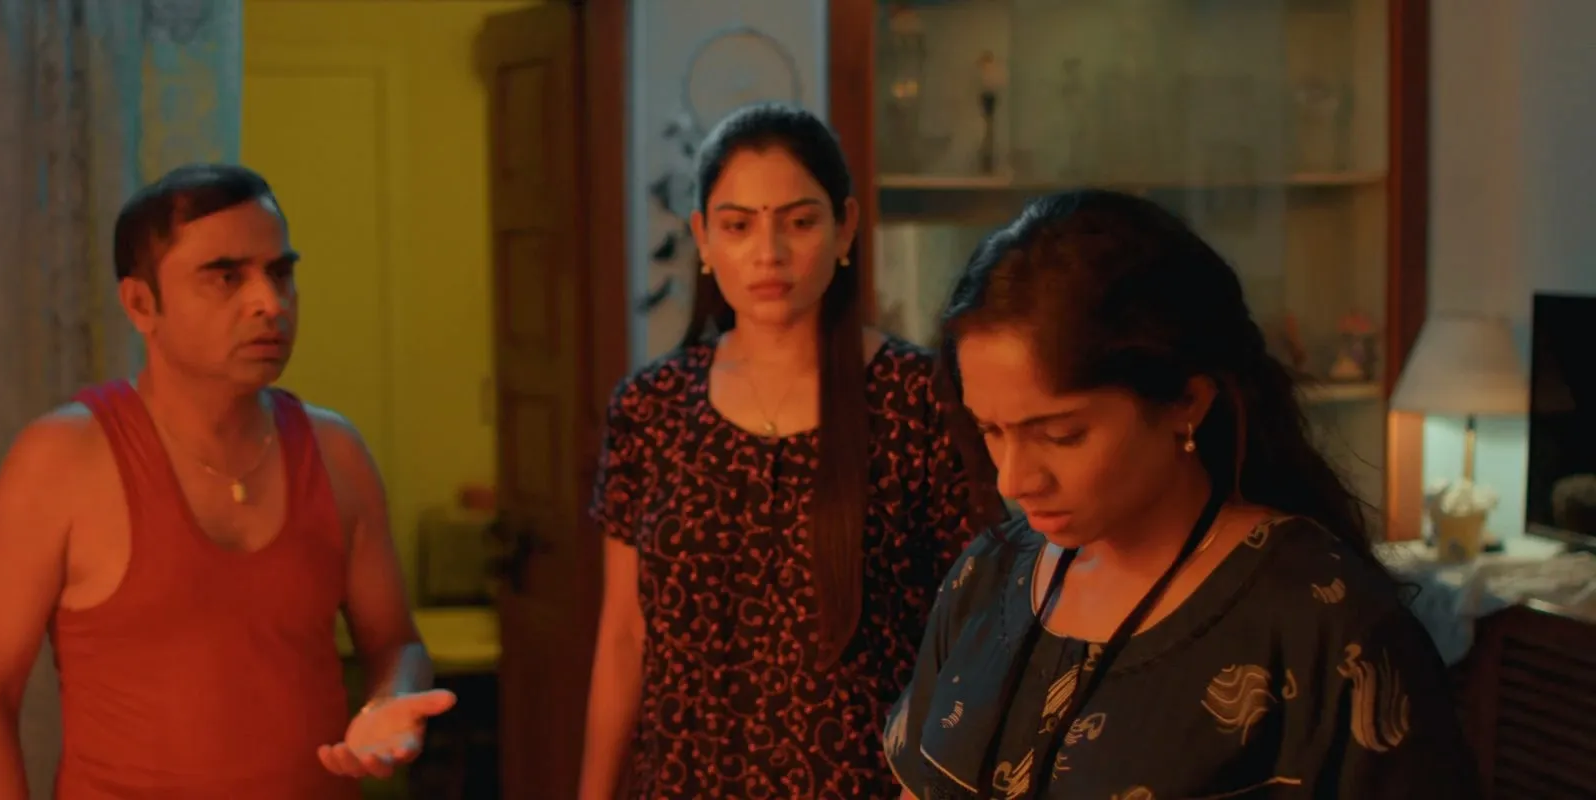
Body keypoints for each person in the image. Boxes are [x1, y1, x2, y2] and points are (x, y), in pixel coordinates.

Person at [885, 190, 1478, 799]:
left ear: (1185, 402)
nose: (1013, 480)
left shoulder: (1321, 621)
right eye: (990, 430)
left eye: (1061, 435)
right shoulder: (987, 575)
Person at [0, 164, 454, 799]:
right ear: (141, 304)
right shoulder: (62, 459)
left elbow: (395, 644)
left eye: (280, 273)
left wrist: (390, 702)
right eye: (226, 277)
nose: (269, 302)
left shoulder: (335, 452)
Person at [578, 103, 989, 800]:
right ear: (703, 237)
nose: (768, 253)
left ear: (845, 227)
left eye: (799, 222)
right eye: (738, 226)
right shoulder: (651, 407)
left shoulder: (918, 398)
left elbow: (976, 633)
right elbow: (623, 637)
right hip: (685, 782)